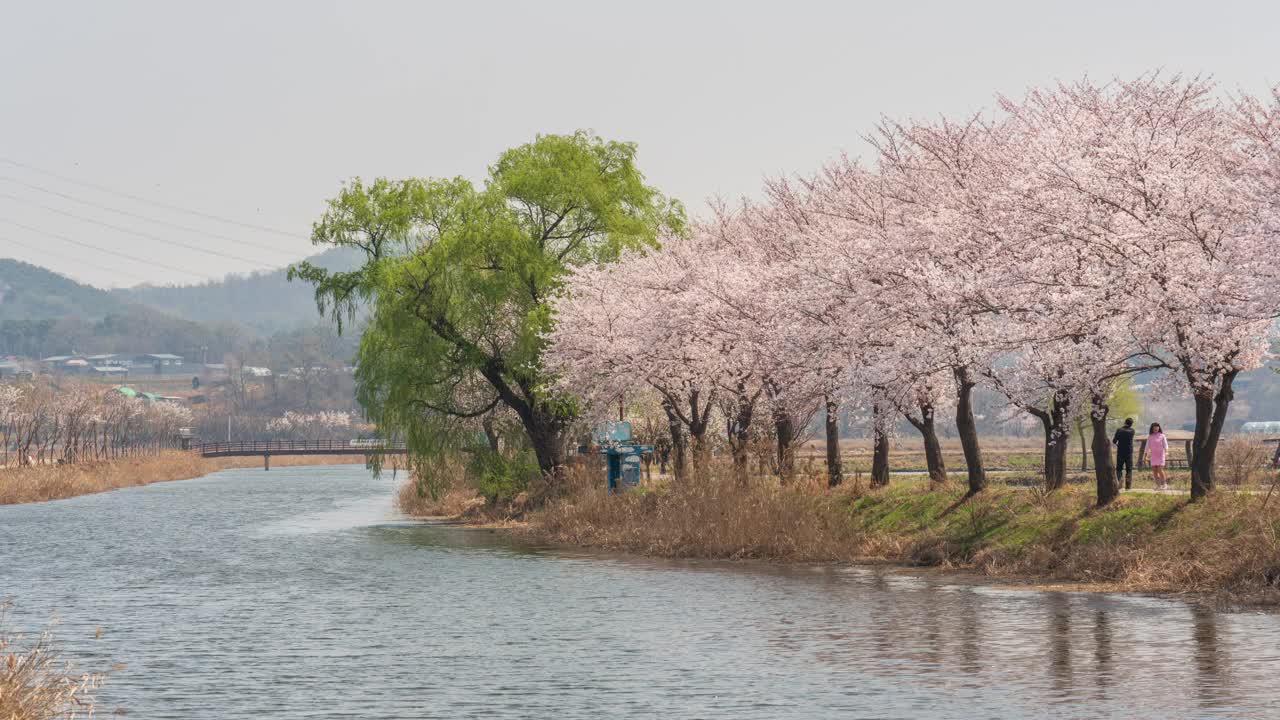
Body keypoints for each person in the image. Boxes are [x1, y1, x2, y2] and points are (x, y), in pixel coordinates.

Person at [1112, 418, 1136, 490]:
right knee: (1129, 469)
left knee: (1119, 469)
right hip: (1129, 452)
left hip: (1120, 452)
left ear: (1124, 422)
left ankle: (1119, 484)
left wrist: (1118, 444)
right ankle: (1128, 487)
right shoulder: (1132, 431)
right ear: (1131, 424)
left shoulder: (1119, 430)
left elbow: (1114, 441)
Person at [1148, 422, 1170, 490]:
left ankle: (1164, 484)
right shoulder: (1150, 436)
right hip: (1153, 456)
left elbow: (1165, 445)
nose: (1156, 428)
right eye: (1154, 427)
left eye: (1157, 427)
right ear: (1152, 428)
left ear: (1159, 428)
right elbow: (1147, 446)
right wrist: (1145, 455)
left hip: (1161, 455)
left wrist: (1166, 452)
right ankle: (1158, 485)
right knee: (1154, 471)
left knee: (1160, 470)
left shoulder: (1162, 435)